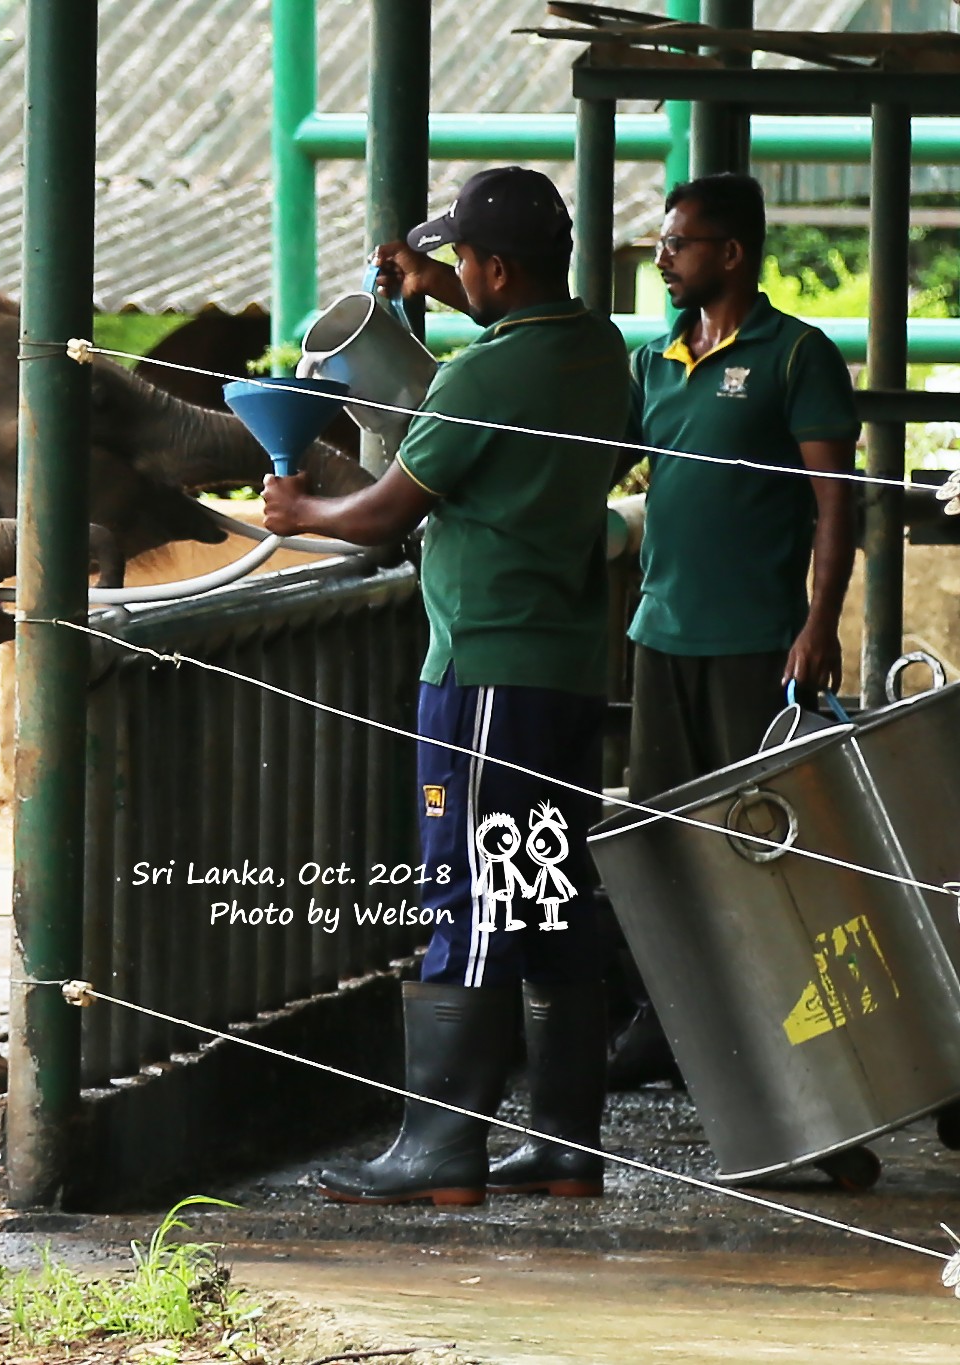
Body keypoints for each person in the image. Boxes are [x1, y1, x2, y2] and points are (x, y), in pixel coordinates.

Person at [262, 167, 633, 1205]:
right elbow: (509, 410)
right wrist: (429, 283)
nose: (450, 272)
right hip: (564, 664)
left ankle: (441, 1147)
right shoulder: (598, 349)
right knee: (547, 891)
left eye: (461, 259)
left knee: (465, 893)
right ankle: (564, 1144)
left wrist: (299, 517)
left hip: (480, 667)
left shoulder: (480, 378)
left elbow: (382, 513)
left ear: (495, 267)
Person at [609, 174, 863, 1095]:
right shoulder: (657, 359)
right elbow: (599, 453)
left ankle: (793, 1038)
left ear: (731, 253)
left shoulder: (798, 357)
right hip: (660, 632)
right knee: (657, 839)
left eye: (678, 244)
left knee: (761, 847)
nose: (664, 258)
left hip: (756, 642)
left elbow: (838, 505)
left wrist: (818, 623)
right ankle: (666, 1022)